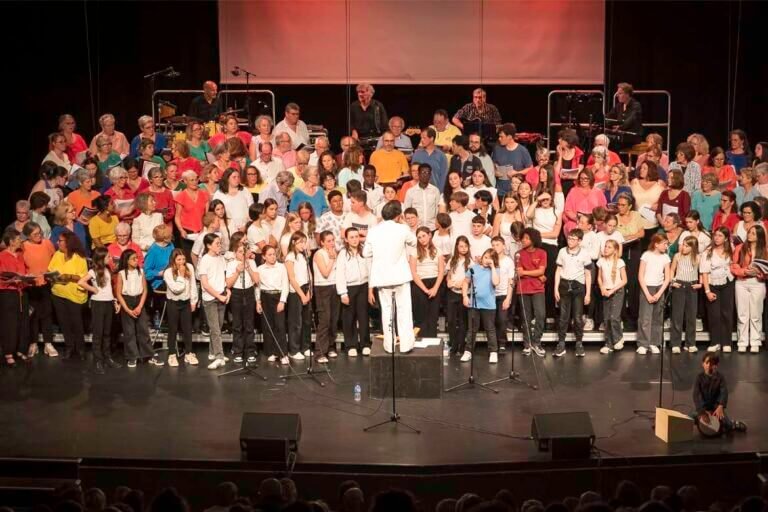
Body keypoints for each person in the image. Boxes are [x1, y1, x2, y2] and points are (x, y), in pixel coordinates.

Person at [363, 201, 418, 353]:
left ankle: (390, 345)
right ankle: (406, 345)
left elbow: (365, 253)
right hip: (400, 276)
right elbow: (414, 241)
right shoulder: (403, 228)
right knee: (404, 310)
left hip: (382, 277)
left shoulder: (374, 231)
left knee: (387, 311)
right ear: (398, 215)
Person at [76, 247, 121, 374]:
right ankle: (98, 360)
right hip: (98, 304)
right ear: (101, 259)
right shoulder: (93, 271)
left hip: (108, 303)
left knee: (107, 332)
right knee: (98, 333)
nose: (110, 258)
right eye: (108, 257)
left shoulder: (108, 270)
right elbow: (81, 282)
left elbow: (109, 289)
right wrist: (93, 289)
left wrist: (115, 301)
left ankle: (107, 357)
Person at [115, 249, 162, 367]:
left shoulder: (141, 272)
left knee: (143, 330)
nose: (136, 261)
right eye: (133, 259)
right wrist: (127, 309)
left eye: (137, 258)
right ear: (127, 261)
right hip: (127, 301)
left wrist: (140, 306)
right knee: (129, 331)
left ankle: (148, 355)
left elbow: (145, 290)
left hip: (139, 300)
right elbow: (119, 293)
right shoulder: (121, 274)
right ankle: (132, 356)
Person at [48, 231, 88, 360]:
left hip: (73, 295)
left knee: (76, 323)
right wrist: (51, 277)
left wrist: (69, 276)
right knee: (64, 323)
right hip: (58, 293)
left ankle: (80, 349)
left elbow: (84, 276)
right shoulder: (57, 255)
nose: (57, 243)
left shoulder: (79, 257)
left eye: (60, 241)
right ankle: (69, 347)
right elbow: (51, 270)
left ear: (68, 243)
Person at [553, 229, 592, 358]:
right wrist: (555, 288)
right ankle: (561, 343)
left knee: (577, 316)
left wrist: (588, 293)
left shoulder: (585, 254)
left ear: (580, 241)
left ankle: (579, 343)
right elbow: (558, 270)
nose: (570, 241)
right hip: (564, 285)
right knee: (564, 316)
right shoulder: (562, 251)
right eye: (569, 238)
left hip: (578, 286)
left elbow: (587, 274)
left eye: (573, 239)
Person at [730, 224, 767, 353]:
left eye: (753, 233)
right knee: (742, 313)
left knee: (756, 314)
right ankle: (742, 341)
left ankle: (755, 341)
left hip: (757, 283)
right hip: (742, 283)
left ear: (759, 237)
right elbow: (734, 266)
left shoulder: (765, 250)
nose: (750, 234)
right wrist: (745, 271)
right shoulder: (740, 248)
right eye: (749, 232)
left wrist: (759, 273)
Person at [21, 222, 56, 358]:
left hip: (46, 283)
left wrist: (52, 272)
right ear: (28, 236)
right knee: (33, 315)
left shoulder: (47, 243)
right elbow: (20, 264)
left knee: (47, 313)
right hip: (31, 285)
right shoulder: (24, 246)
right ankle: (33, 343)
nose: (39, 235)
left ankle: (48, 343)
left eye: (40, 232)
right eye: (35, 234)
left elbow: (55, 259)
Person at [336, 228, 370, 357]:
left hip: (363, 286)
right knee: (349, 317)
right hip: (350, 287)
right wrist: (343, 292)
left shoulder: (364, 251)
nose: (355, 239)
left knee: (363, 316)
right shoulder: (343, 254)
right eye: (352, 237)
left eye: (356, 236)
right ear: (346, 239)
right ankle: (351, 345)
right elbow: (340, 274)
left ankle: (365, 344)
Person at [461, 248, 500, 363]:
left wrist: (492, 267)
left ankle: (493, 352)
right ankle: (468, 351)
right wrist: (464, 296)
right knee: (472, 329)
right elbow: (465, 282)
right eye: (485, 257)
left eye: (490, 258)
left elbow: (496, 282)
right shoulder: (473, 268)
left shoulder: (496, 269)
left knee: (490, 329)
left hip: (488, 305)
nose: (487, 260)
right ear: (482, 257)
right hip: (474, 304)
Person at [692, 352, 747, 433]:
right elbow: (696, 395)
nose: (709, 366)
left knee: (727, 425)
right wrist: (701, 411)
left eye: (712, 364)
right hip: (703, 407)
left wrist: (720, 406)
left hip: (715, 407)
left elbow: (724, 392)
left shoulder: (720, 377)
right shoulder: (699, 378)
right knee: (688, 418)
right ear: (702, 364)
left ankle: (733, 424)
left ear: (716, 366)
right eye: (707, 363)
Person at [198, 233, 230, 368]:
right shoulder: (204, 260)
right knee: (215, 329)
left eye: (220, 243)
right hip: (211, 298)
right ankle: (219, 356)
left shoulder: (220, 258)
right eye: (217, 243)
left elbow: (223, 276)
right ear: (208, 245)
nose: (219, 245)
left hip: (222, 295)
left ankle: (212, 352)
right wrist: (218, 295)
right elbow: (205, 284)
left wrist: (227, 290)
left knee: (219, 326)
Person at [701, 227, 735, 353]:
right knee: (714, 314)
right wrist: (707, 291)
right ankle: (715, 342)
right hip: (713, 284)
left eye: (720, 236)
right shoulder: (708, 252)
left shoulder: (730, 248)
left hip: (727, 283)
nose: (717, 238)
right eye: (715, 235)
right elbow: (704, 272)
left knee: (727, 313)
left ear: (726, 238)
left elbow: (734, 264)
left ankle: (727, 342)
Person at [225, 240, 259, 364]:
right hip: (237, 293)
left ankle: (250, 351)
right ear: (235, 253)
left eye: (244, 252)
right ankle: (238, 351)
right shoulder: (231, 264)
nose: (242, 254)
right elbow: (228, 284)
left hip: (249, 292)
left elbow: (256, 280)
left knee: (249, 324)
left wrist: (248, 267)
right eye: (239, 252)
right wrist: (237, 271)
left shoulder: (252, 262)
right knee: (237, 324)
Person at [163, 248, 198, 367]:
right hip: (173, 303)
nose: (182, 262)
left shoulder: (189, 267)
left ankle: (189, 353)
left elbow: (193, 284)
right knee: (173, 329)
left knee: (187, 328)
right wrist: (181, 275)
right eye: (179, 259)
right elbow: (176, 289)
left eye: (183, 259)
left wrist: (193, 301)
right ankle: (172, 354)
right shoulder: (168, 272)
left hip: (186, 303)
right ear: (173, 260)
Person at [637, 234, 672, 355]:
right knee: (645, 317)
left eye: (667, 244)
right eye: (664, 244)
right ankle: (643, 343)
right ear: (656, 244)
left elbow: (667, 278)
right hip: (647, 287)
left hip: (659, 289)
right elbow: (640, 275)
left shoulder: (666, 258)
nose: (666, 246)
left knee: (657, 318)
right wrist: (647, 293)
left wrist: (659, 293)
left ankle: (654, 342)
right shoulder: (646, 255)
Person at [0, 229, 30, 367]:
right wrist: (13, 279)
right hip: (8, 293)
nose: (20, 241)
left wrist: (28, 277)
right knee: (10, 323)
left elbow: (24, 271)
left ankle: (20, 349)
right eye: (18, 239)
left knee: (23, 321)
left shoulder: (20, 255)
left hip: (21, 292)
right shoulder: (2, 256)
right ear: (11, 242)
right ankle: (8, 352)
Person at [256, 245, 289, 364]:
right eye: (269, 255)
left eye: (274, 254)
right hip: (265, 296)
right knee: (267, 325)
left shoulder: (281, 267)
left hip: (277, 296)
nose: (273, 256)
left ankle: (283, 353)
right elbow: (257, 287)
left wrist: (282, 301)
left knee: (280, 326)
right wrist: (258, 301)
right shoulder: (260, 269)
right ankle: (271, 352)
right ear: (264, 256)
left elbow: (285, 284)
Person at [409, 226, 444, 339]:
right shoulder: (414, 251)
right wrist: (425, 289)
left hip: (435, 283)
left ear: (429, 235)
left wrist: (435, 288)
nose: (422, 239)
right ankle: (421, 342)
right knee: (421, 316)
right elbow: (413, 272)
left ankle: (432, 343)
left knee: (433, 316)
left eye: (424, 236)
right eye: (419, 237)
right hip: (420, 284)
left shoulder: (437, 250)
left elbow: (441, 271)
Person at [516, 228, 547, 357]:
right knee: (525, 318)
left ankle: (536, 342)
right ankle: (527, 344)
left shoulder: (542, 253)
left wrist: (529, 273)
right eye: (523, 238)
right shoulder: (518, 254)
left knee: (540, 315)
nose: (524, 240)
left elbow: (541, 271)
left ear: (534, 239)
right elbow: (519, 272)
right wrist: (536, 273)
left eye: (527, 238)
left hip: (538, 288)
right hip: (523, 289)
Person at [669, 236, 702, 354]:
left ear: (693, 247)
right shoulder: (677, 256)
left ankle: (690, 343)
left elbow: (702, 272)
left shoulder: (698, 257)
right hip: (680, 285)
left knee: (691, 316)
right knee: (677, 316)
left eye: (687, 246)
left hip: (692, 286)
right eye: (683, 244)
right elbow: (672, 269)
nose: (683, 247)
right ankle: (675, 343)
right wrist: (672, 281)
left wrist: (701, 283)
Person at [284, 232, 312, 360]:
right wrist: (302, 295)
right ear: (294, 242)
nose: (303, 245)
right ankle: (294, 350)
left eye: (304, 242)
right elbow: (292, 278)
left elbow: (309, 274)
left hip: (306, 288)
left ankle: (305, 347)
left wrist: (309, 291)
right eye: (300, 242)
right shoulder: (290, 257)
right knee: (296, 322)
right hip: (296, 291)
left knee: (306, 321)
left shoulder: (303, 256)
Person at [313, 231, 340, 364]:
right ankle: (319, 352)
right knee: (324, 320)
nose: (331, 243)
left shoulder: (335, 252)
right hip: (323, 288)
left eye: (332, 240)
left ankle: (330, 346)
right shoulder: (319, 254)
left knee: (333, 320)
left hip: (334, 287)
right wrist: (332, 259)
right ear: (322, 242)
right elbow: (325, 272)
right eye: (328, 241)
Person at [597, 240, 627, 354]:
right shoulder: (601, 261)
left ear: (615, 250)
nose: (606, 249)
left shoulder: (620, 262)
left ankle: (619, 338)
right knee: (607, 319)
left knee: (614, 317)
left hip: (617, 291)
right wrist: (602, 288)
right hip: (606, 291)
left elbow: (624, 280)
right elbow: (599, 277)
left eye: (609, 247)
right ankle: (608, 343)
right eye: (605, 246)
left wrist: (613, 290)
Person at [493, 123, 533, 199]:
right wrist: (495, 171)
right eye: (499, 136)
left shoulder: (522, 150)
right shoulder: (497, 149)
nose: (499, 139)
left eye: (502, 137)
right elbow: (493, 163)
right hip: (500, 190)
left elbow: (530, 168)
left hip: (516, 191)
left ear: (509, 137)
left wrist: (517, 173)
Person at [445, 236, 470, 355]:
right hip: (452, 293)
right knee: (451, 320)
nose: (464, 249)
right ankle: (453, 344)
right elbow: (449, 275)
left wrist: (461, 284)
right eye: (461, 246)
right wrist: (449, 281)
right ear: (457, 247)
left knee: (462, 321)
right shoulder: (452, 260)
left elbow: (469, 278)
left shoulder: (470, 262)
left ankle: (461, 345)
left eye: (466, 246)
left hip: (464, 293)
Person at [175, 170, 210, 255]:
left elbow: (207, 215)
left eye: (196, 179)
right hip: (187, 234)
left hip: (202, 232)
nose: (195, 182)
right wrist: (181, 230)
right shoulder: (181, 196)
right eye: (192, 180)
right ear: (185, 181)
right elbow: (177, 217)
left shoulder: (204, 194)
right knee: (189, 259)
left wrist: (205, 229)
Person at [563, 169, 607, 235]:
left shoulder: (598, 192)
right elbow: (568, 210)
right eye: (581, 178)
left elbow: (603, 210)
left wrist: (595, 221)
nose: (583, 181)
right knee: (571, 227)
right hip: (577, 221)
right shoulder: (573, 191)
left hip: (594, 222)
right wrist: (579, 220)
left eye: (586, 178)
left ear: (591, 179)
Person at [605, 82, 642, 148]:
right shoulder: (619, 105)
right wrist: (604, 123)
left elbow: (630, 120)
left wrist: (620, 127)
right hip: (620, 135)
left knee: (612, 144)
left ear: (627, 94)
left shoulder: (636, 105)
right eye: (618, 93)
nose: (617, 95)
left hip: (632, 136)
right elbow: (609, 116)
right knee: (603, 140)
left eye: (620, 93)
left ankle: (616, 158)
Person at [403, 164, 440, 229]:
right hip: (416, 228)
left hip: (432, 227)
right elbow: (407, 210)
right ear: (419, 174)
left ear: (430, 175)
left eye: (427, 173)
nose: (425, 175)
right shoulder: (411, 191)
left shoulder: (435, 190)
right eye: (423, 172)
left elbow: (437, 209)